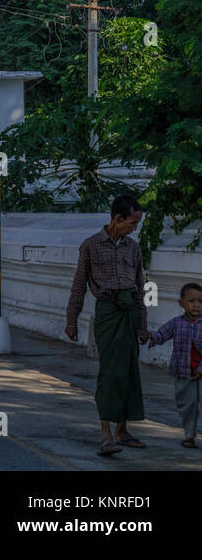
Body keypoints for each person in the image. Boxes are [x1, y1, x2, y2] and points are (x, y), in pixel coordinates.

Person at [65, 194, 150, 457]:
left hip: (129, 311)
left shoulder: (133, 248)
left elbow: (140, 287)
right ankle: (105, 434)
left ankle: (122, 430)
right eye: (131, 223)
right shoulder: (90, 246)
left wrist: (142, 324)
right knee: (110, 373)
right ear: (117, 218)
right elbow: (79, 285)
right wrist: (72, 319)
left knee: (128, 372)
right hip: (107, 312)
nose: (134, 228)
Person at [146, 282, 202, 448]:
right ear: (181, 303)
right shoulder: (176, 323)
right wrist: (149, 336)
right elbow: (162, 334)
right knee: (187, 405)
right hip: (184, 373)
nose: (196, 305)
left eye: (200, 301)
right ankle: (189, 435)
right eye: (191, 301)